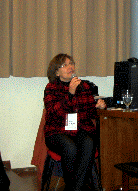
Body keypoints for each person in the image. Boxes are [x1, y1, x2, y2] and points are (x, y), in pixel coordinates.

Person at [43, 53, 106, 191]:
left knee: (89, 142)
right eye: (65, 65)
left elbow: (89, 114)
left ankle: (75, 188)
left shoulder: (83, 86)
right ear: (56, 71)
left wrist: (98, 107)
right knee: (70, 147)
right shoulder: (51, 88)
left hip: (79, 130)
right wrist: (70, 94)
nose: (70, 66)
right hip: (57, 131)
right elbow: (54, 113)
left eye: (71, 63)